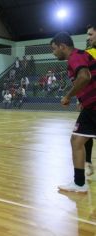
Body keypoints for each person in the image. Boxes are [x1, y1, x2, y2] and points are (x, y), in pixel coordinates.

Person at [51, 32, 96, 192]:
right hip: (90, 107)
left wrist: (68, 96)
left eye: (54, 49)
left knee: (76, 141)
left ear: (63, 47)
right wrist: (83, 101)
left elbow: (85, 76)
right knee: (76, 140)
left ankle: (79, 183)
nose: (53, 52)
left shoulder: (75, 57)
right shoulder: (79, 56)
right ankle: (79, 183)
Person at [83, 23, 96, 178]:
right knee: (84, 133)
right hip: (92, 101)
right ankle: (88, 163)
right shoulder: (88, 53)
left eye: (90, 34)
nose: (88, 37)